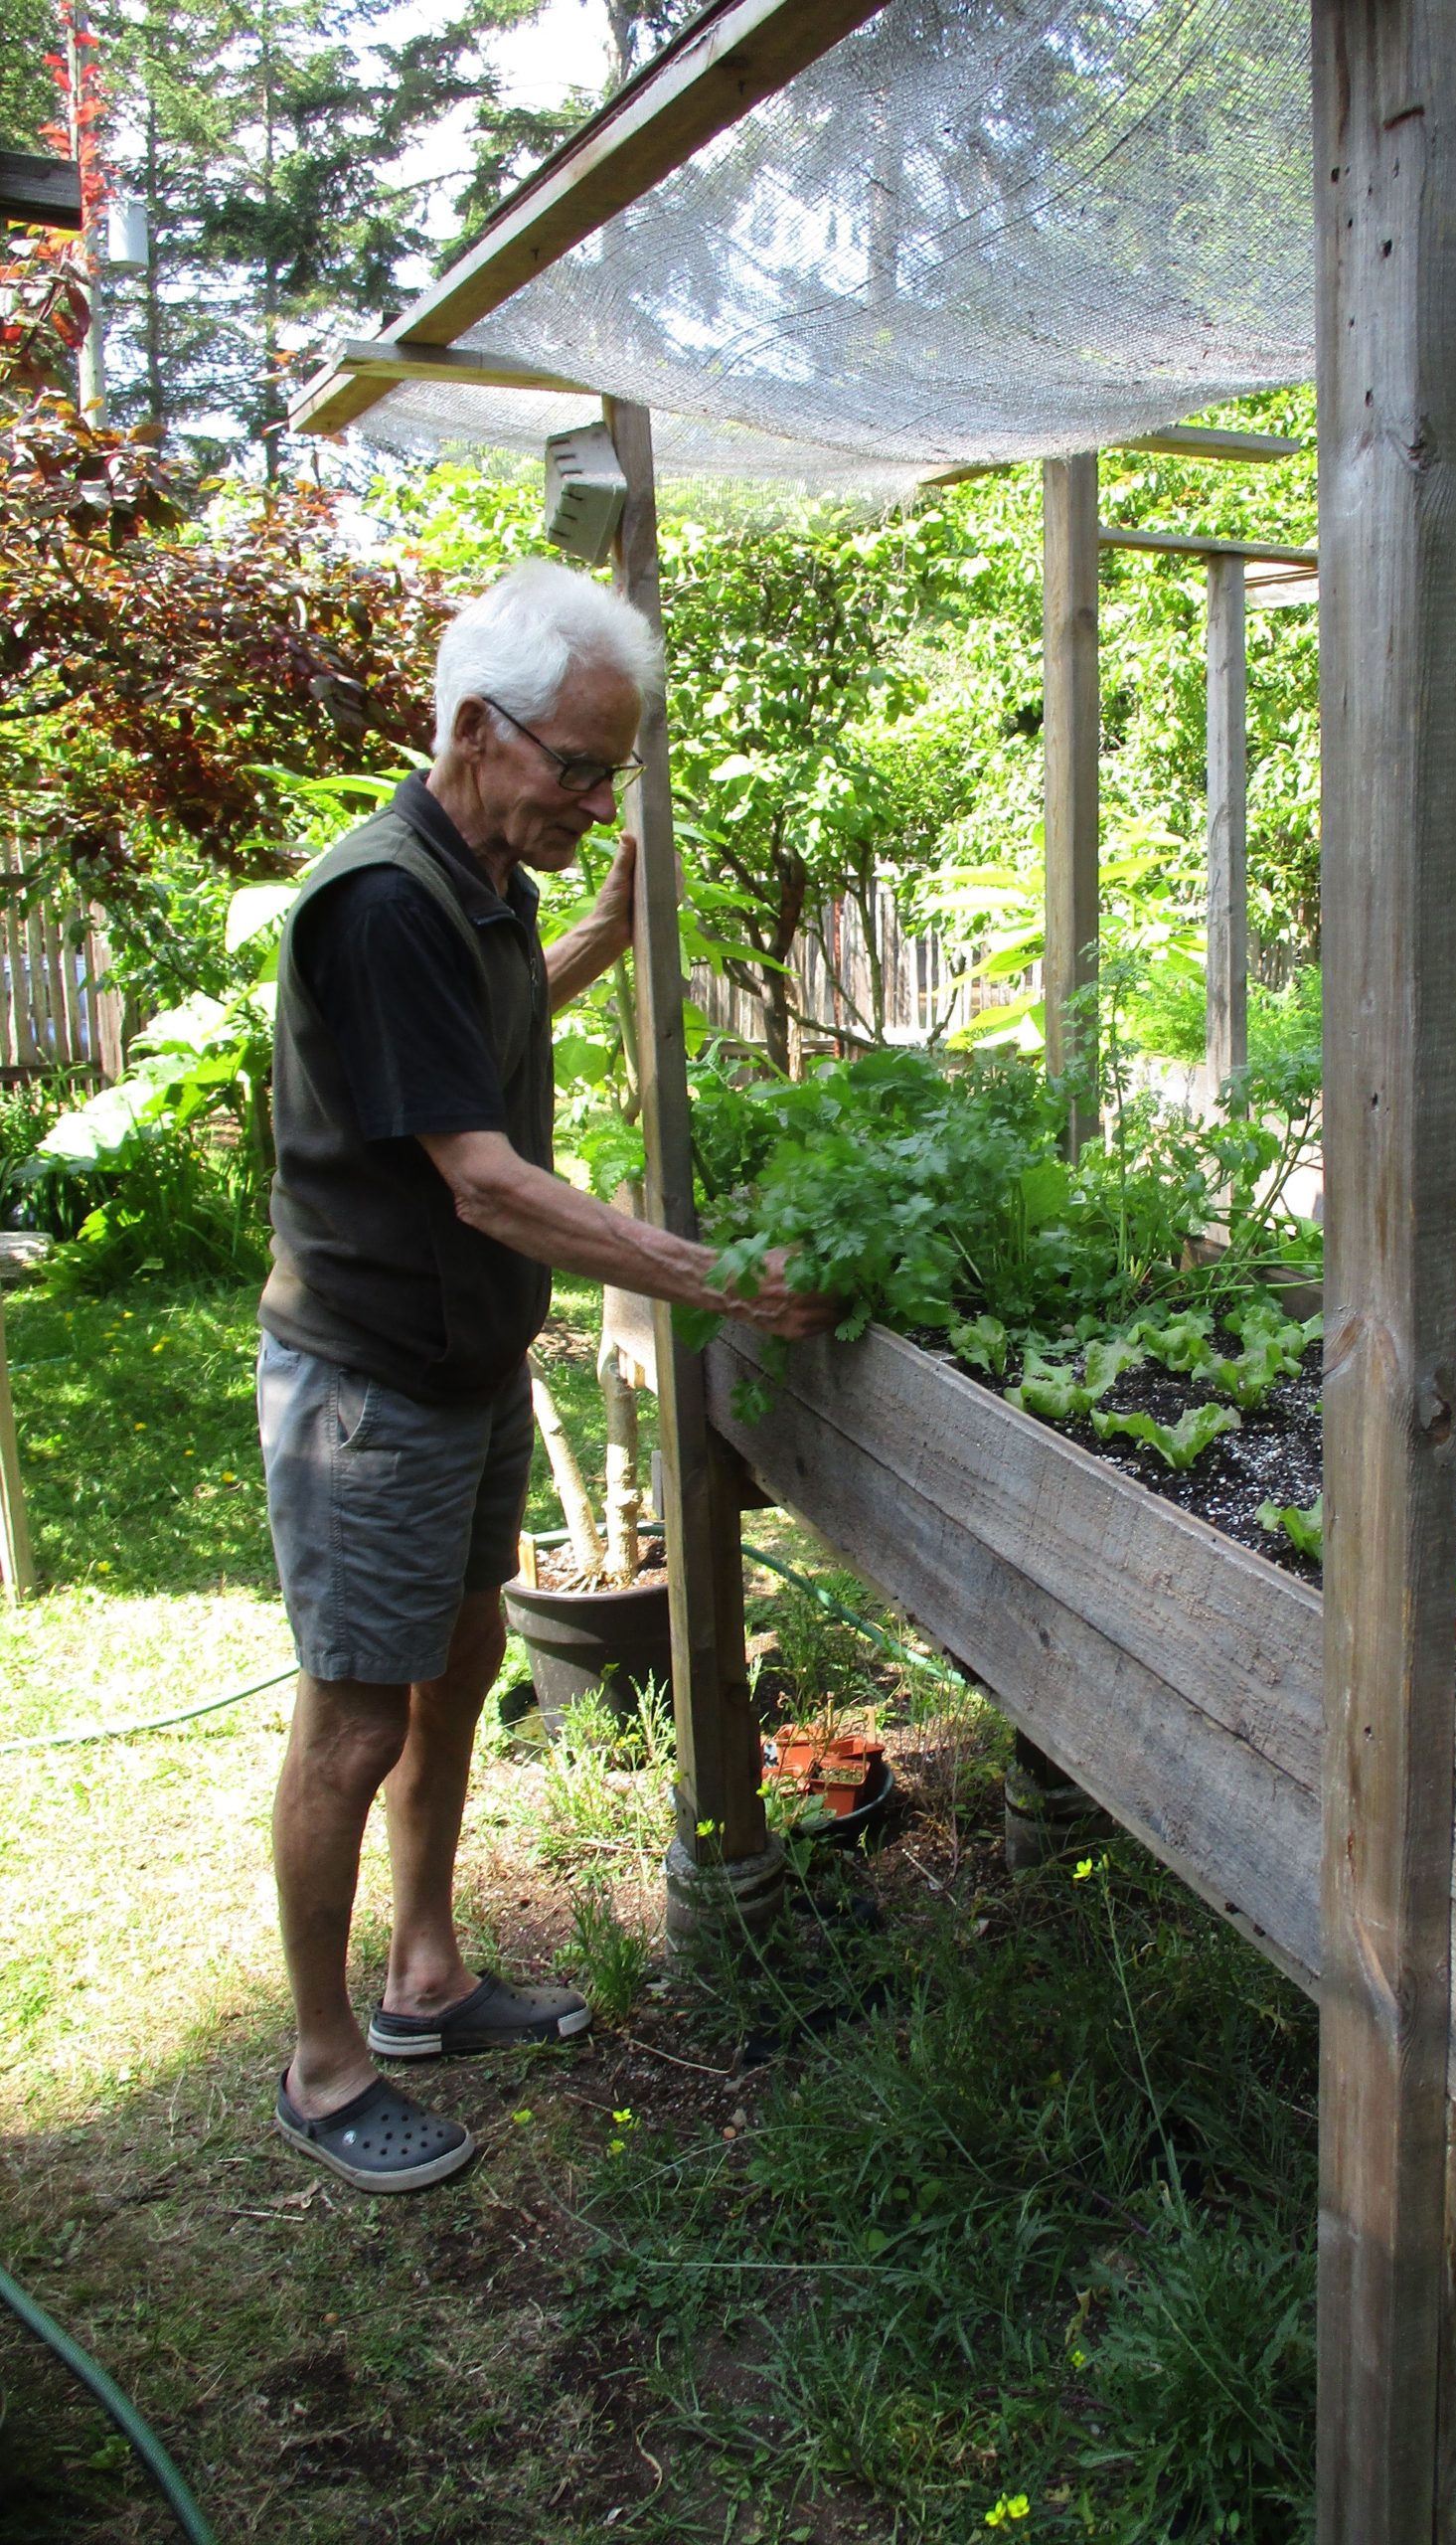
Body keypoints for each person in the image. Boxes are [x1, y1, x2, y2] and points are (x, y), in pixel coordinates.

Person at [257, 560, 832, 2194]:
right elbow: (484, 1177)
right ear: (471, 729)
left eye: (612, 770)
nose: (593, 794)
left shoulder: (478, 883)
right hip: (369, 1381)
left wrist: (589, 936)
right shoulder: (381, 901)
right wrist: (709, 1277)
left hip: (464, 1363)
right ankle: (321, 2064)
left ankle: (427, 1975)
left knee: (459, 1656)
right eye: (575, 765)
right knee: (354, 1725)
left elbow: (477, 1027)